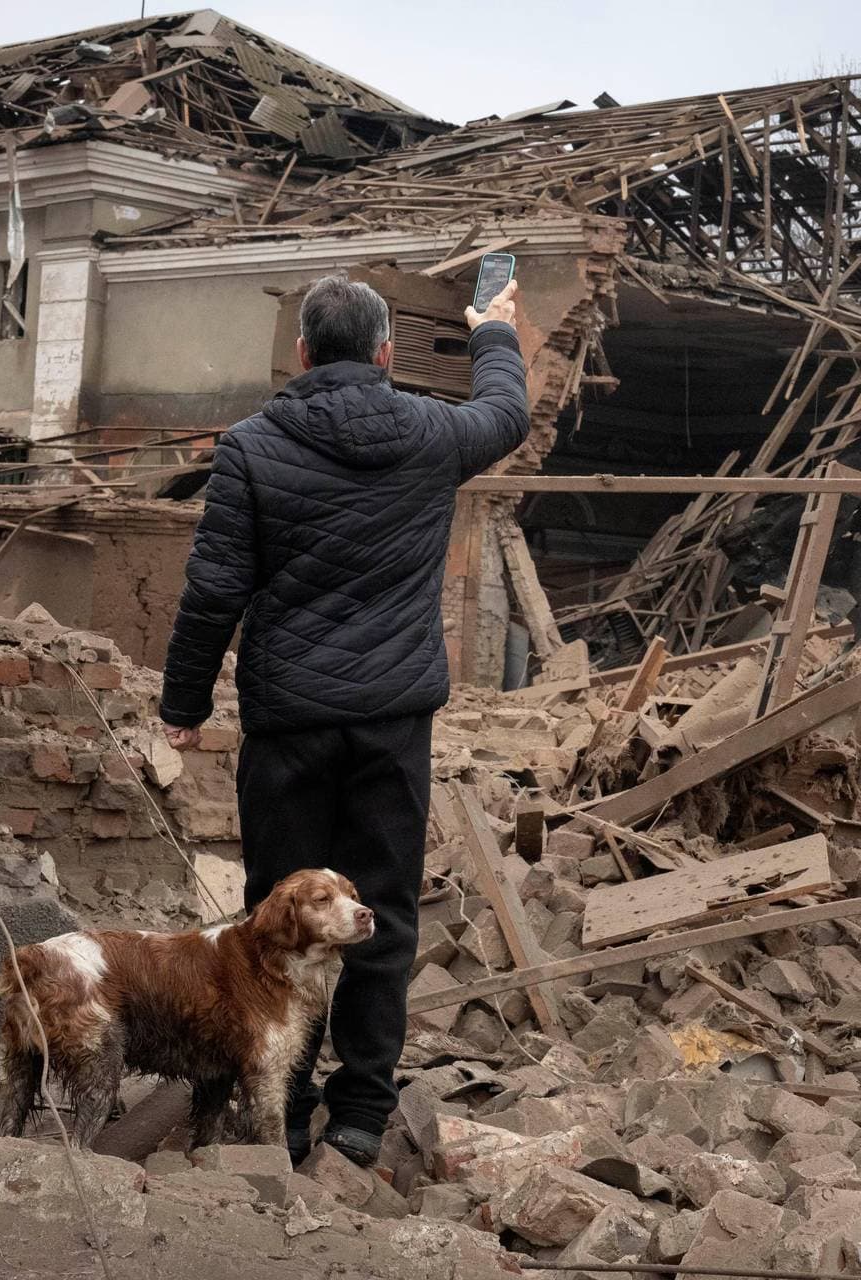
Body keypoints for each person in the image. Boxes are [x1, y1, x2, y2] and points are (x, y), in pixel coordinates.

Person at [159, 272, 528, 1166]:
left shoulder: (251, 446)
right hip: (393, 722)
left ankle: (280, 1106)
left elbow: (214, 592)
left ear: (301, 355)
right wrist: (493, 333)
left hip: (287, 723)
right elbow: (506, 414)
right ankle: (361, 1112)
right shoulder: (434, 434)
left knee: (277, 919)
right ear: (388, 352)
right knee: (383, 913)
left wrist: (183, 702)